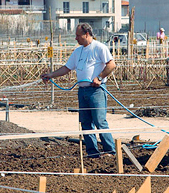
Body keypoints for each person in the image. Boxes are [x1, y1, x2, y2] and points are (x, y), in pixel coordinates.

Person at [41, 23, 116, 158]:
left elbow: (111, 64)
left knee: (100, 121)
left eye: (78, 35)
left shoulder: (99, 48)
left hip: (96, 90)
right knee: (86, 123)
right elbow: (67, 68)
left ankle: (110, 151)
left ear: (86, 34)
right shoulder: (78, 51)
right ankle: (92, 153)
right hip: (82, 91)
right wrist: (50, 75)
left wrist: (99, 77)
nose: (76, 38)